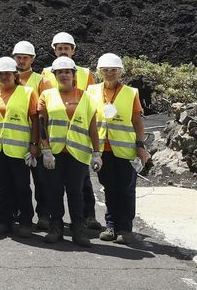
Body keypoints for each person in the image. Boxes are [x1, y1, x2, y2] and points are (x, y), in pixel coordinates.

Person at [39, 32, 100, 230]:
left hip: (78, 145)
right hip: (56, 145)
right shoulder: (46, 73)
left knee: (82, 186)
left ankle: (87, 218)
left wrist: (95, 150)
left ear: (73, 50)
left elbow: (91, 106)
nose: (63, 51)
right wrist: (44, 148)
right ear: (54, 50)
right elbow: (44, 112)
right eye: (59, 48)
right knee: (55, 189)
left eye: (67, 47)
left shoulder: (85, 72)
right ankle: (55, 224)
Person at [88, 53, 148, 245]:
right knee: (109, 188)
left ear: (120, 71)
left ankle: (125, 229)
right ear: (99, 72)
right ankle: (111, 226)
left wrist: (140, 146)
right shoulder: (91, 91)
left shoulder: (131, 93)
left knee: (126, 190)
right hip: (102, 150)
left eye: (114, 70)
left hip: (125, 150)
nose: (110, 73)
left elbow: (137, 122)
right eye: (106, 70)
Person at [0, 57, 39, 238]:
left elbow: (35, 121)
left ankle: (25, 221)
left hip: (19, 149)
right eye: (1, 74)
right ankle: (4, 220)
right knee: (3, 186)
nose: (4, 77)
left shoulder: (28, 92)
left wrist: (34, 144)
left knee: (22, 186)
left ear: (15, 75)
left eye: (8, 73)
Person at [12, 40, 50, 230]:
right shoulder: (8, 78)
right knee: (20, 181)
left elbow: (47, 110)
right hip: (17, 138)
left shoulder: (40, 80)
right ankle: (21, 213)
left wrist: (38, 141)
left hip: (37, 139)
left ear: (32, 59)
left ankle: (44, 214)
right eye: (18, 57)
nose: (21, 61)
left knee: (41, 180)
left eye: (25, 58)